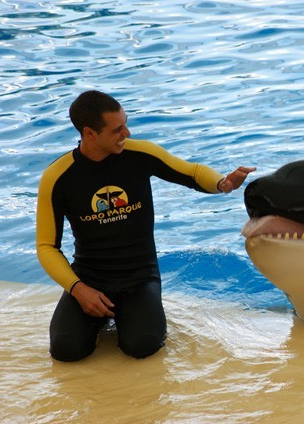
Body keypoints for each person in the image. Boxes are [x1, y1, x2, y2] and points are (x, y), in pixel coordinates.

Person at [36, 90, 256, 361]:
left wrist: (223, 183)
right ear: (89, 133)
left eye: (126, 124)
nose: (126, 133)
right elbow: (47, 246)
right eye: (117, 129)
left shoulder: (139, 154)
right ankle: (98, 318)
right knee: (65, 350)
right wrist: (78, 289)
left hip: (139, 277)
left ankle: (132, 314)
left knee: (142, 345)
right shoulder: (57, 177)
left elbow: (191, 172)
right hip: (89, 278)